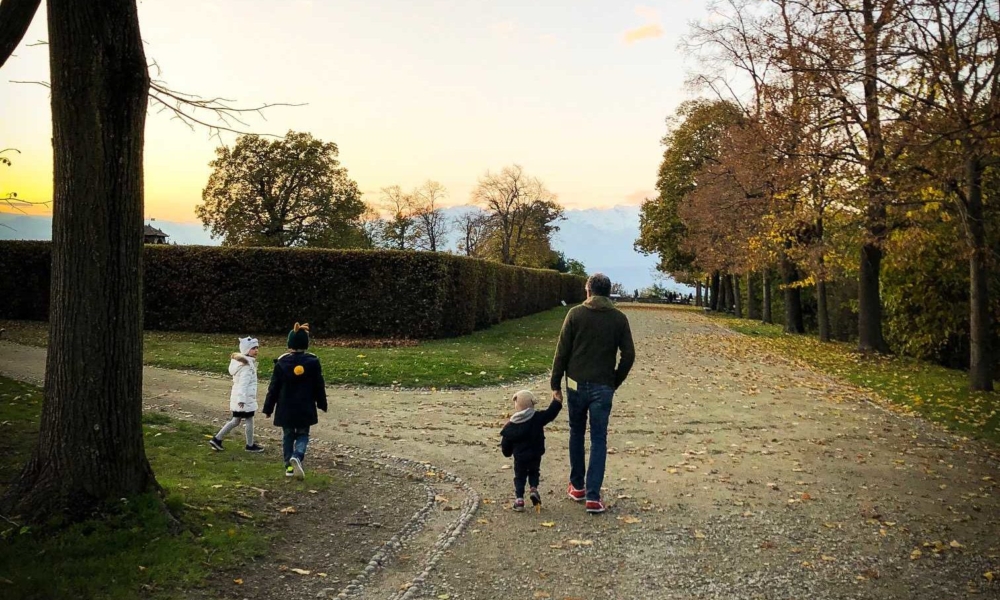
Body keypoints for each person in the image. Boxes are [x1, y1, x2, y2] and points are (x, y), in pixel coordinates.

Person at [550, 273, 635, 514]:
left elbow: (562, 351)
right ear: (608, 292)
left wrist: (555, 383)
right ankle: (593, 496)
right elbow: (629, 355)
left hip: (576, 383)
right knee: (599, 438)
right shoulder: (618, 319)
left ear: (588, 291)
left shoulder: (575, 314)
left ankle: (577, 485)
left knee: (576, 432)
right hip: (603, 385)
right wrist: (614, 381)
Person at [262, 323, 328, 479]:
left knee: (288, 436)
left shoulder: (281, 364)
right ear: (306, 344)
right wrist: (322, 403)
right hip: (305, 406)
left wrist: (268, 408)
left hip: (286, 408)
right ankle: (297, 455)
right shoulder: (313, 363)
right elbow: (319, 385)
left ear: (289, 344)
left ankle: (289, 467)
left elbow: (274, 388)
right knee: (303, 434)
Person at [500, 390, 562, 512]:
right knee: (534, 472)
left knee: (519, 477)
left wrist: (507, 452)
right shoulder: (537, 418)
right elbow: (550, 414)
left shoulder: (511, 426)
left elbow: (506, 443)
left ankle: (519, 499)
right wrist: (557, 401)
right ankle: (533, 488)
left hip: (520, 457)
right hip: (535, 453)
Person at [209, 337, 264, 453]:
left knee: (236, 420)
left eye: (257, 348)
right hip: (244, 399)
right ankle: (249, 445)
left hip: (241, 398)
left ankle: (217, 439)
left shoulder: (242, 363)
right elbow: (243, 384)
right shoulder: (246, 366)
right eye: (253, 348)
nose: (256, 350)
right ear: (246, 350)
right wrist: (242, 400)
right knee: (248, 419)